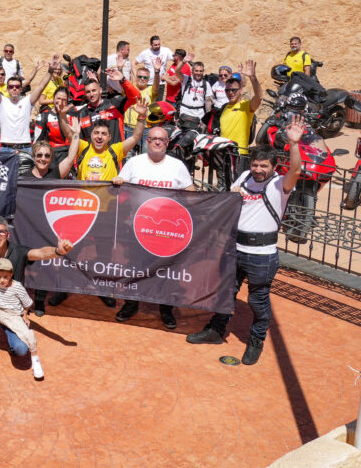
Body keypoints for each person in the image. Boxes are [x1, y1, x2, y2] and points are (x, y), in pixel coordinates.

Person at [187, 117, 306, 365]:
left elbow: (295, 171)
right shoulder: (243, 177)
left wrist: (294, 144)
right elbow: (230, 202)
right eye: (255, 165)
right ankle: (216, 330)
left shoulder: (279, 184)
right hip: (234, 248)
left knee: (257, 300)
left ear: (273, 167)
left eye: (264, 166)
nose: (258, 169)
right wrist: (232, 194)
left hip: (262, 254)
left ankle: (256, 340)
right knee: (226, 292)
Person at [0, 216, 74, 372]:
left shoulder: (19, 252)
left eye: (1, 232)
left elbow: (40, 253)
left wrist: (58, 251)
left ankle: (13, 341)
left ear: (8, 234)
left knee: (21, 350)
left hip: (14, 313)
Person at [112, 125, 194, 328]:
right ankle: (131, 304)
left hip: (167, 230)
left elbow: (191, 192)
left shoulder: (177, 166)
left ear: (167, 143)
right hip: (138, 228)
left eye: (162, 139)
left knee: (165, 270)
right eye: (154, 138)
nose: (157, 142)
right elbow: (120, 182)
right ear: (147, 141)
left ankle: (165, 309)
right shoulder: (134, 163)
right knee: (135, 268)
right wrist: (117, 180)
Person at [66, 100, 146, 182]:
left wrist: (142, 116)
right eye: (96, 133)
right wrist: (62, 115)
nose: (99, 136)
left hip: (106, 191)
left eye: (104, 134)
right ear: (91, 135)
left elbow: (135, 137)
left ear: (109, 137)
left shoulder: (115, 150)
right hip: (84, 190)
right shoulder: (83, 147)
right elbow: (68, 135)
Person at [0, 57, 51, 153]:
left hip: (25, 148)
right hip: (6, 148)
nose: (14, 88)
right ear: (7, 89)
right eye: (11, 86)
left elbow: (41, 86)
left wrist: (51, 71)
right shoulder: (2, 101)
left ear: (21, 89)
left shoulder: (27, 101)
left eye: (17, 86)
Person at [220, 60, 262, 168]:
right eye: (227, 90)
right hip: (223, 154)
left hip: (239, 155)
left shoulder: (246, 107)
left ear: (240, 90)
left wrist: (253, 77)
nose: (230, 93)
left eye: (234, 90)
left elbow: (259, 97)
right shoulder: (224, 108)